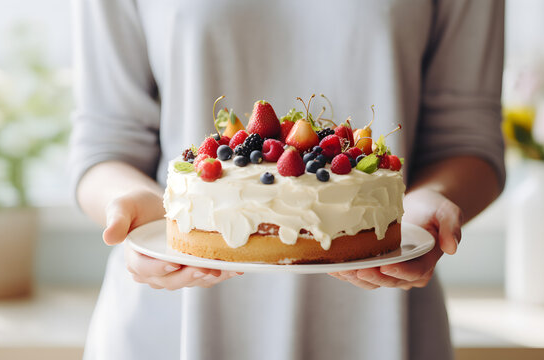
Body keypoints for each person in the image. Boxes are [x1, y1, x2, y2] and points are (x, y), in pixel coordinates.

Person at [70, 1, 505, 359]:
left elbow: (468, 138)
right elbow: (105, 142)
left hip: (380, 323)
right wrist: (130, 205)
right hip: (171, 321)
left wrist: (431, 201)